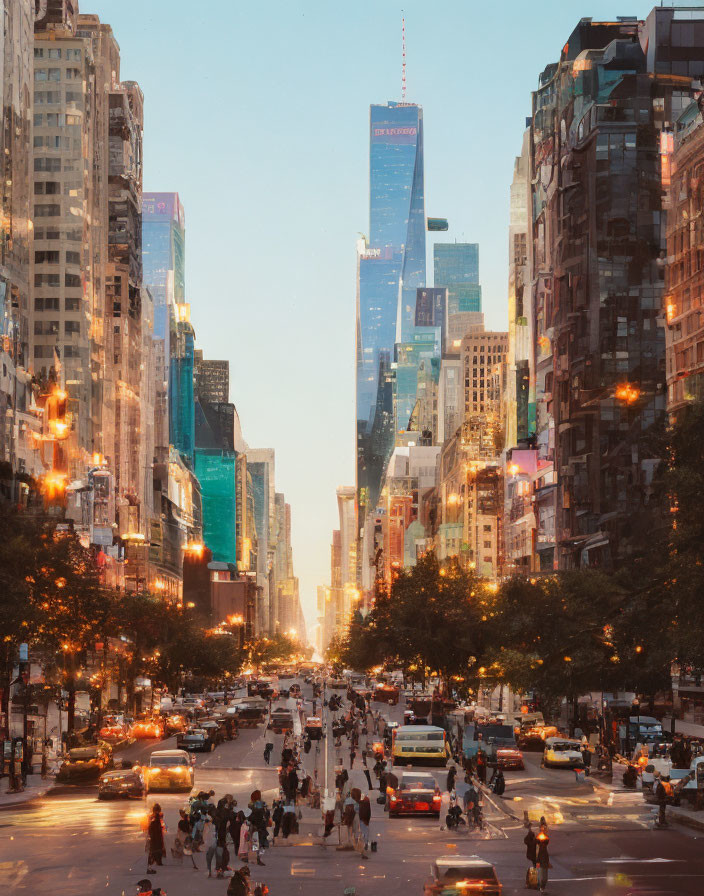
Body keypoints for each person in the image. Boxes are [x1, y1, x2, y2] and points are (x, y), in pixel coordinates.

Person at [146, 804, 166, 874]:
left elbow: (162, 826)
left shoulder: (158, 817)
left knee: (158, 847)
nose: (157, 812)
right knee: (155, 848)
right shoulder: (152, 818)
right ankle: (154, 861)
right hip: (155, 836)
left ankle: (158, 860)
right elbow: (150, 828)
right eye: (156, 810)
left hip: (158, 836)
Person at [357, 794, 371, 859]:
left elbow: (367, 813)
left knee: (364, 833)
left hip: (363, 820)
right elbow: (367, 813)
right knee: (364, 833)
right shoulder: (365, 804)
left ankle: (363, 846)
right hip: (364, 820)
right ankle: (363, 846)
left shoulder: (363, 804)